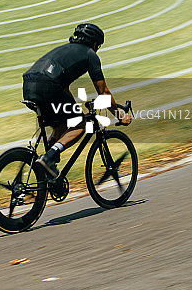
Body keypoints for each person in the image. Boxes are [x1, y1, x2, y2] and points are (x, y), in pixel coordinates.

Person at [22, 21, 131, 178]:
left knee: (61, 125)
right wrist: (119, 115)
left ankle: (46, 168)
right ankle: (49, 157)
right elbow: (103, 93)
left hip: (28, 86)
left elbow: (64, 88)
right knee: (82, 124)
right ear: (95, 43)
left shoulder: (65, 50)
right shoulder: (90, 54)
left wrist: (75, 108)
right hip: (48, 86)